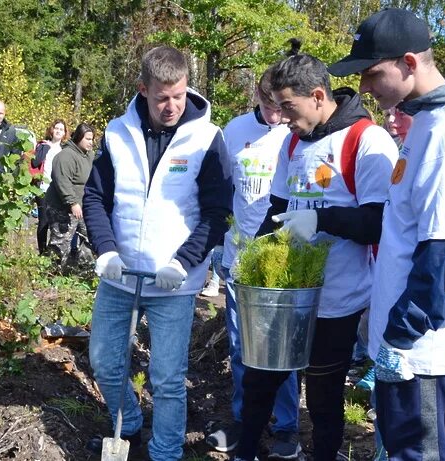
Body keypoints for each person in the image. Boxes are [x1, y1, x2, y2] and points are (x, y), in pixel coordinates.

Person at [329, 8, 445, 460]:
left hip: (419, 349)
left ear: (408, 62)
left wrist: (400, 338)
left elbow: (444, 250)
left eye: (370, 73)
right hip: (406, 342)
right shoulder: (427, 124)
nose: (363, 86)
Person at [235, 50, 399, 461]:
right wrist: (250, 254)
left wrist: (320, 219)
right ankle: (244, 451)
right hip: (287, 294)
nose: (282, 116)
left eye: (288, 106)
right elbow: (276, 208)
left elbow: (378, 223)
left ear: (318, 95)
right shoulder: (293, 142)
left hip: (337, 299)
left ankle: (324, 454)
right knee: (260, 382)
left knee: (324, 394)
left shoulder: (366, 139)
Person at [83, 45, 232, 461]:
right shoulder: (117, 132)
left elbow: (218, 212)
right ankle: (127, 422)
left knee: (167, 378)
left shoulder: (205, 138)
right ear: (143, 89)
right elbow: (95, 198)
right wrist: (107, 251)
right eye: (162, 97)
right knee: (104, 363)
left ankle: (166, 451)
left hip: (174, 282)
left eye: (179, 96)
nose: (171, 106)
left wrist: (182, 262)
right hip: (120, 275)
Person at [204, 65, 301, 458]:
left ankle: (287, 427)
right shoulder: (236, 130)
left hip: (279, 262)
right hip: (237, 256)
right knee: (241, 346)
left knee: (280, 349)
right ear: (258, 100)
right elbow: (222, 187)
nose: (276, 114)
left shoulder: (296, 131)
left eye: (281, 106)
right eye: (268, 105)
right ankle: (245, 422)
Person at [45, 122, 95, 264]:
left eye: (92, 139)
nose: (91, 143)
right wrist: (72, 202)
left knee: (88, 237)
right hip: (62, 206)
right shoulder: (65, 156)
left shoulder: (89, 155)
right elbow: (62, 182)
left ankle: (85, 269)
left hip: (82, 205)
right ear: (79, 138)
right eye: (88, 139)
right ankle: (52, 273)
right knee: (60, 242)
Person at [31, 119, 68, 254]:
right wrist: (44, 148)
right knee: (43, 221)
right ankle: (42, 251)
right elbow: (36, 162)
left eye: (61, 129)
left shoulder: (65, 150)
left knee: (56, 222)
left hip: (57, 190)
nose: (58, 131)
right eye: (56, 128)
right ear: (52, 130)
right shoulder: (43, 145)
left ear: (64, 133)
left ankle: (54, 250)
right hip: (42, 188)